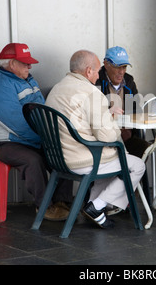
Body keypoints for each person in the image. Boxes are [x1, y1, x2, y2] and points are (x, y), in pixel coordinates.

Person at [46, 50, 145, 229]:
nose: (99, 74)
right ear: (89, 71)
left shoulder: (57, 88)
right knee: (137, 165)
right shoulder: (91, 92)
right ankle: (96, 206)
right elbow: (107, 136)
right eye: (98, 70)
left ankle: (94, 208)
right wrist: (113, 124)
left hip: (57, 158)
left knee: (110, 163)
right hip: (82, 159)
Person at [0, 43, 72, 221]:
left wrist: (54, 138)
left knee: (61, 152)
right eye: (25, 63)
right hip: (2, 143)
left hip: (27, 139)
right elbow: (18, 126)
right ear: (12, 64)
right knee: (33, 159)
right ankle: (44, 207)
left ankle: (63, 203)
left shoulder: (27, 79)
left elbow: (42, 110)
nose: (29, 67)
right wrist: (46, 138)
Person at [95, 46, 149, 158]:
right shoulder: (96, 81)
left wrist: (127, 127)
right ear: (106, 64)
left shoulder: (129, 81)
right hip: (103, 137)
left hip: (125, 136)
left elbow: (136, 110)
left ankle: (131, 175)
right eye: (117, 67)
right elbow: (93, 113)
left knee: (144, 148)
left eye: (124, 67)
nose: (121, 72)